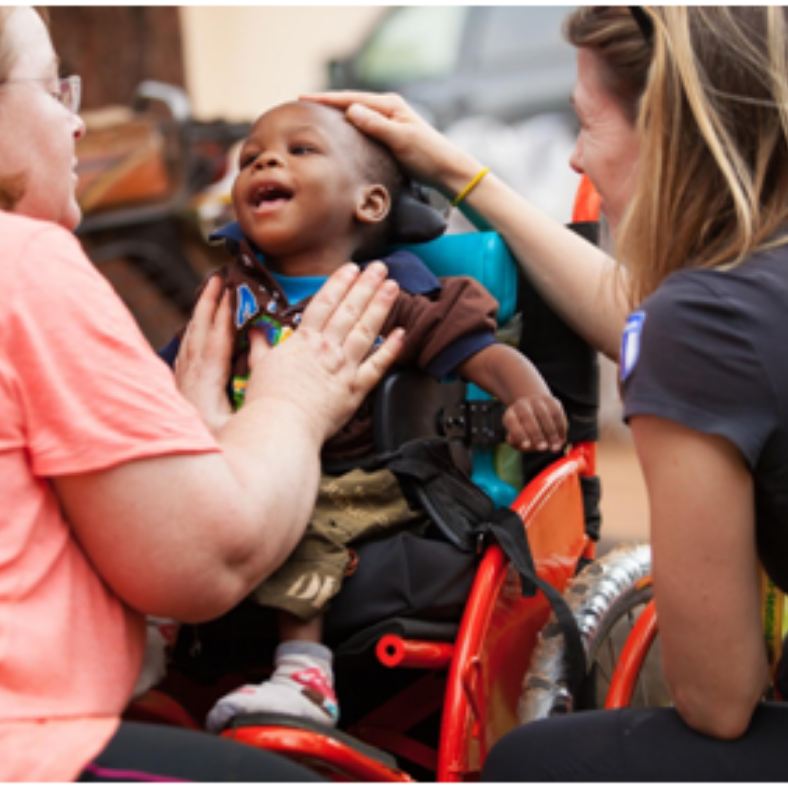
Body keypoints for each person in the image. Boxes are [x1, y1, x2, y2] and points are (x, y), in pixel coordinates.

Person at [306, 6, 788, 781]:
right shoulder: (749, 285)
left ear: (666, 131)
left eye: (587, 126)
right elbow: (641, 317)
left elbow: (720, 700)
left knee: (531, 760)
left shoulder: (702, 320)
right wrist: (458, 171)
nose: (573, 161)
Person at [0, 7, 406, 782]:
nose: (78, 125)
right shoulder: (25, 266)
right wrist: (292, 402)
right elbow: (202, 565)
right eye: (55, 91)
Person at [160, 99, 568, 731]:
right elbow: (162, 376)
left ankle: (305, 676)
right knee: (153, 498)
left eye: (301, 150)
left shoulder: (388, 292)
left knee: (296, 514)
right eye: (251, 158)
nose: (266, 158)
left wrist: (528, 392)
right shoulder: (229, 295)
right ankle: (154, 644)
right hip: (237, 460)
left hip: (363, 481)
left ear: (370, 204)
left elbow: (479, 355)